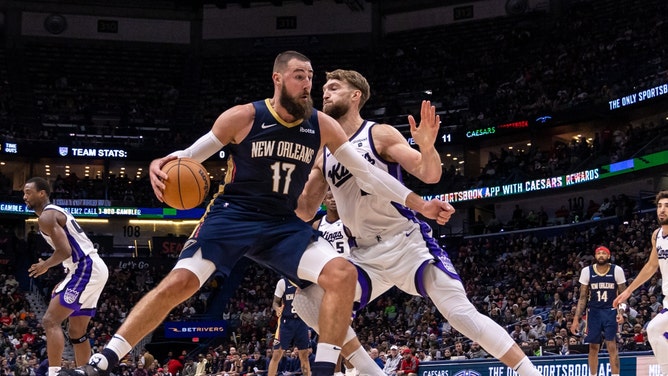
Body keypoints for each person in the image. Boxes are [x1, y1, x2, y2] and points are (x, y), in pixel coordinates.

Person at [62, 51, 451, 376]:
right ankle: (104, 359)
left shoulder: (323, 125)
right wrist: (163, 163)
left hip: (281, 224)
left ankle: (324, 370)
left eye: (311, 78)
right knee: (179, 283)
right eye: (300, 76)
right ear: (278, 79)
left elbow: (368, 174)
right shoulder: (244, 117)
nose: (307, 85)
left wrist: (420, 204)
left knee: (342, 273)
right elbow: (191, 155)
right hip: (233, 215)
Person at [294, 69, 542, 376]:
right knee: (308, 302)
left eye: (334, 88)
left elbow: (429, 174)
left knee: (460, 314)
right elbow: (304, 211)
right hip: (363, 256)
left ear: (355, 95)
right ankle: (373, 373)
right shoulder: (324, 152)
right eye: (324, 90)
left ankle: (531, 372)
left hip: (406, 242)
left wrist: (426, 146)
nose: (325, 93)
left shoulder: (378, 134)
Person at [23, 177, 109, 376]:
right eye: (24, 193)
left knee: (50, 320)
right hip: (90, 268)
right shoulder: (54, 212)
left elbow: (65, 251)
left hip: (85, 267)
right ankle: (86, 372)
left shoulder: (46, 216)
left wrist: (45, 265)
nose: (25, 197)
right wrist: (65, 279)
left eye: (28, 192)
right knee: (77, 331)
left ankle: (54, 373)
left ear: (42, 193)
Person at [614, 190, 668, 375]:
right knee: (653, 331)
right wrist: (628, 291)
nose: (662, 210)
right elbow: (651, 266)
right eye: (660, 206)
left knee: (653, 329)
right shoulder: (657, 235)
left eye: (667, 206)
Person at [570, 245, 626, 376]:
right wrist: (576, 319)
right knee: (593, 347)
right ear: (595, 256)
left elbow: (623, 295)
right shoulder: (586, 271)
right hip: (593, 311)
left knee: (612, 345)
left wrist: (621, 313)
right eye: (598, 253)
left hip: (610, 310)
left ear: (608, 256)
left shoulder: (617, 270)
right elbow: (583, 297)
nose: (601, 255)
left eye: (604, 253)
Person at [268, 278, 311, 376]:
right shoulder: (283, 282)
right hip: (286, 322)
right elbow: (275, 302)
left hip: (302, 321)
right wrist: (277, 308)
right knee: (277, 354)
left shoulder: (306, 282)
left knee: (304, 355)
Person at [312, 191, 351, 256]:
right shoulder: (316, 225)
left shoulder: (348, 221)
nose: (333, 200)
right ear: (324, 201)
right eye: (329, 198)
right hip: (328, 263)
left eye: (336, 197)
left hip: (347, 261)